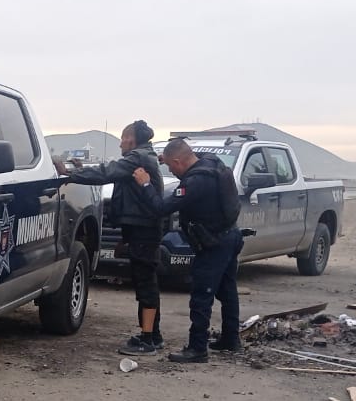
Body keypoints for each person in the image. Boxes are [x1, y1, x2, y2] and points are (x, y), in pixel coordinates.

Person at [55, 120, 165, 355]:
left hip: (144, 232)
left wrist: (71, 175)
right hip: (142, 230)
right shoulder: (145, 155)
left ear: (132, 140)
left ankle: (148, 339)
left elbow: (107, 172)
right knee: (146, 282)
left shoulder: (137, 158)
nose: (121, 143)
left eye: (123, 138)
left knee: (146, 283)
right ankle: (153, 335)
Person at [131, 139, 243, 363]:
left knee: (202, 295)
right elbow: (188, 152)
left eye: (171, 167)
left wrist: (145, 184)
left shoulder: (195, 182)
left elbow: (161, 208)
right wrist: (166, 156)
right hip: (231, 236)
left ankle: (197, 348)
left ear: (179, 161)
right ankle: (231, 339)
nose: (171, 171)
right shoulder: (211, 162)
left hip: (213, 244)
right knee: (227, 291)